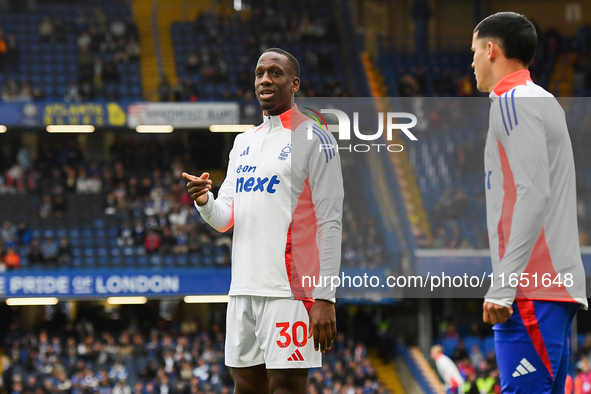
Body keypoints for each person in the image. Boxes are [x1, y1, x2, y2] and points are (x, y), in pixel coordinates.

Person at [183, 48, 343, 393]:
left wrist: (325, 296)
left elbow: (331, 221)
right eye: (259, 73)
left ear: (294, 83)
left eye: (275, 72)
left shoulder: (315, 138)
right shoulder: (243, 142)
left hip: (289, 291)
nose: (265, 79)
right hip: (242, 289)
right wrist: (204, 201)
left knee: (286, 386)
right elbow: (225, 218)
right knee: (245, 387)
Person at [471, 12, 587, 393]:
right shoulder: (543, 100)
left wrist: (504, 285)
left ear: (491, 50)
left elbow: (533, 194)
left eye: (473, 51)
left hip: (530, 288)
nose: (470, 62)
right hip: (549, 287)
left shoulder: (513, 102)